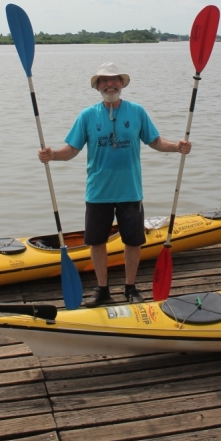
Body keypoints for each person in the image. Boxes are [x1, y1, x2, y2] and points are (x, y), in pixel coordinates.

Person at [38, 62, 191, 307]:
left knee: (133, 242)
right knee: (96, 242)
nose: (110, 84)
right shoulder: (87, 115)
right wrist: (52, 154)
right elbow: (72, 149)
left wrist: (177, 147)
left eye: (114, 80)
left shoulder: (137, 111)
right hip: (98, 192)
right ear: (97, 86)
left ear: (122, 83)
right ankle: (102, 290)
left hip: (130, 190)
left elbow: (155, 141)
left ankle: (130, 288)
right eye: (104, 81)